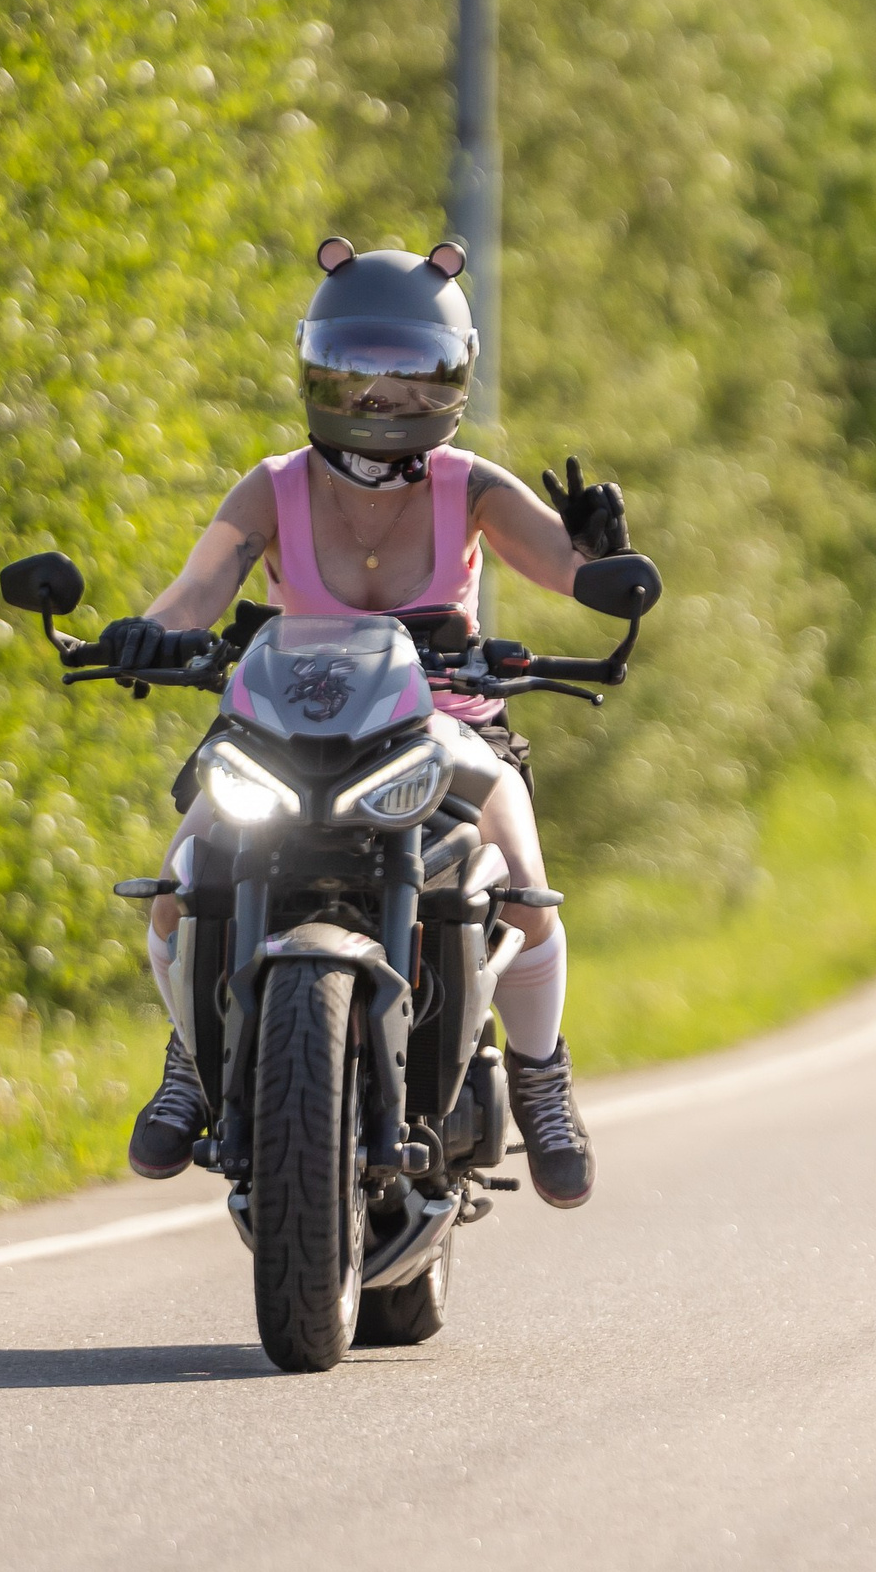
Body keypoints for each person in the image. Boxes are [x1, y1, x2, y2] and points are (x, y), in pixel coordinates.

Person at [100, 236, 629, 1211]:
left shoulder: (468, 485)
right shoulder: (273, 485)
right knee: (181, 884)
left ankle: (542, 1077)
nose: (380, 400)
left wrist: (596, 551)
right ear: (317, 370)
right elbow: (196, 592)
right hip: (279, 728)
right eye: (359, 374)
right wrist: (145, 633)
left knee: (521, 889)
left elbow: (568, 573)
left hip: (446, 724)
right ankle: (191, 1057)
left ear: (449, 380)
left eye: (406, 375)